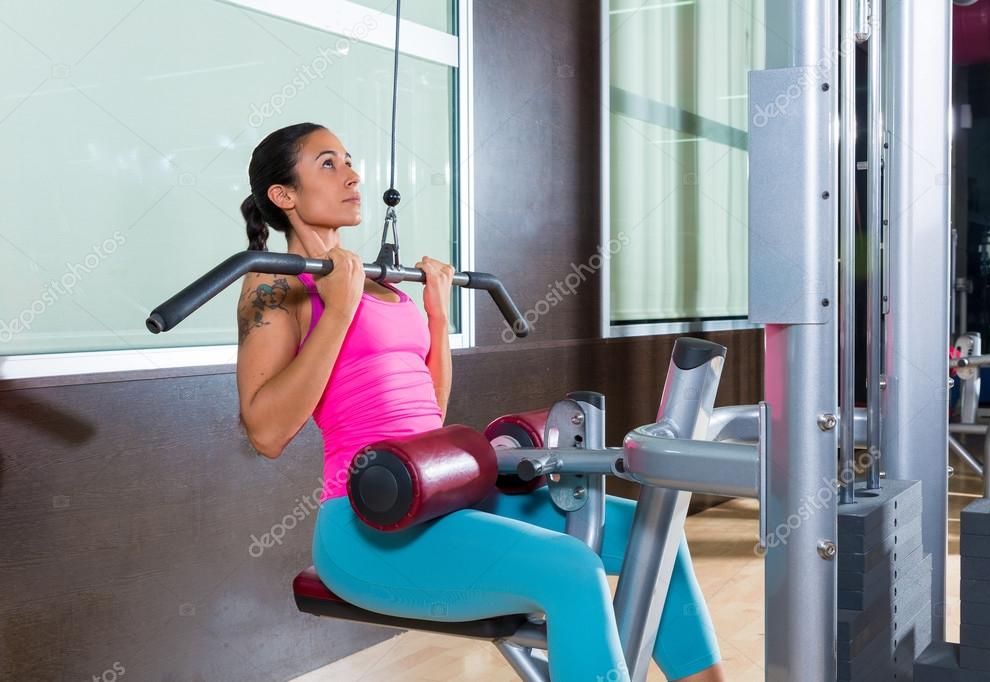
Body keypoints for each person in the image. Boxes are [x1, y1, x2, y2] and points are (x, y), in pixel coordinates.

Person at [235, 122, 725, 682]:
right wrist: (339, 309)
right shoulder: (274, 285)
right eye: (328, 163)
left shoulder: (380, 285)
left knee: (653, 533)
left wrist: (437, 317)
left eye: (349, 159)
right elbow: (266, 433)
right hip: (366, 525)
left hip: (441, 493)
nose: (353, 173)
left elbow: (428, 417)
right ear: (284, 195)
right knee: (570, 570)